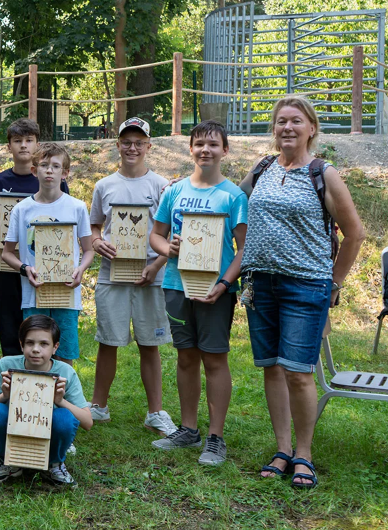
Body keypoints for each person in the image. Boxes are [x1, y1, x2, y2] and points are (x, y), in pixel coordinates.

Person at [240, 97, 363, 488]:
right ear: (273, 130)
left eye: (295, 121)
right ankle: (282, 448)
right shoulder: (261, 168)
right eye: (280, 122)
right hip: (260, 285)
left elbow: (355, 233)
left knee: (298, 372)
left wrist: (334, 283)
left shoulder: (323, 173)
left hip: (306, 285)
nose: (287, 128)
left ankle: (304, 454)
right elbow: (228, 199)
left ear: (311, 128)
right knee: (272, 368)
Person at [148, 120, 247, 465]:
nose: (206, 149)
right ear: (190, 149)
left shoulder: (233, 195)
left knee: (215, 359)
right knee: (186, 356)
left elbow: (244, 249)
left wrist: (224, 285)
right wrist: (168, 249)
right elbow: (155, 236)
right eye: (200, 144)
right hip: (176, 285)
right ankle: (188, 430)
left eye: (213, 144)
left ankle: (215, 438)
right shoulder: (174, 192)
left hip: (214, 291)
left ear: (225, 150)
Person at [87, 117, 177, 437]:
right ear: (118, 145)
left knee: (149, 343)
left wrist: (156, 266)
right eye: (127, 142)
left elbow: (170, 234)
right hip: (114, 273)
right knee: (108, 341)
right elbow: (95, 226)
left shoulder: (162, 185)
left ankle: (155, 411)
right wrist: (97, 243)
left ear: (149, 146)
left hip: (150, 274)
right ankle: (98, 406)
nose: (132, 148)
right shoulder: (104, 186)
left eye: (139, 142)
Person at [0, 142, 94, 365]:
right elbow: (7, 253)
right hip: (34, 293)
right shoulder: (21, 209)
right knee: (35, 353)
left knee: (65, 354)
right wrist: (25, 269)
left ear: (65, 173)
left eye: (55, 166)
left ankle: (61, 399)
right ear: (34, 170)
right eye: (43, 165)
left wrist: (80, 270)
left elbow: (89, 250)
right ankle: (36, 399)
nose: (49, 170)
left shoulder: (77, 207)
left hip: (67, 293)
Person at [0, 315, 93, 485]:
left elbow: (88, 422)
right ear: (21, 344)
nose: (36, 349)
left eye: (44, 344)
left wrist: (61, 401)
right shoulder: (6, 365)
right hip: (15, 428)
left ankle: (53, 463)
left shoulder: (66, 372)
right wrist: (4, 395)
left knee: (65, 417)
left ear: (55, 347)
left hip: (48, 436)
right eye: (30, 343)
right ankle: (7, 460)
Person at [0, 118, 66, 356]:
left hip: (42, 263)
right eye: (17, 141)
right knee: (10, 319)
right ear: (9, 146)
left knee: (39, 320)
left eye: (29, 140)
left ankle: (41, 366)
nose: (23, 146)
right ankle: (12, 369)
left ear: (37, 144)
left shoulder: (50, 178)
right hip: (7, 262)